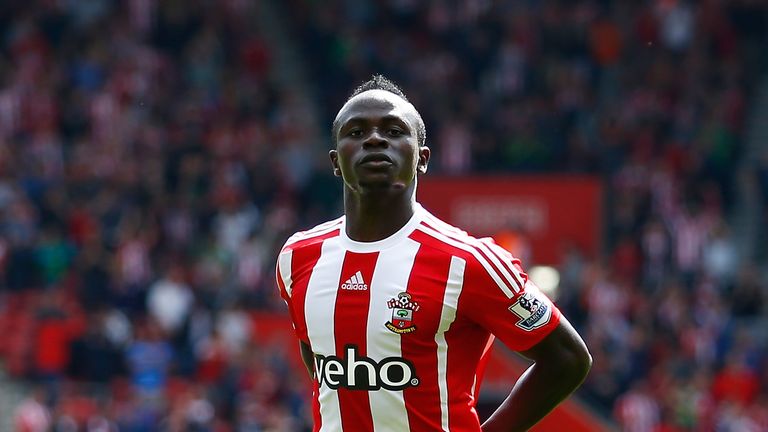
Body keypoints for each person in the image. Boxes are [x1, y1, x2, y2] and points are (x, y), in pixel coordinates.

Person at [276, 75, 592, 431]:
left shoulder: (470, 261)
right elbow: (316, 354)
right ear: (335, 161)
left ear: (422, 158)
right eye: (356, 132)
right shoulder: (298, 257)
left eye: (394, 131)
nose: (375, 139)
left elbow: (568, 359)